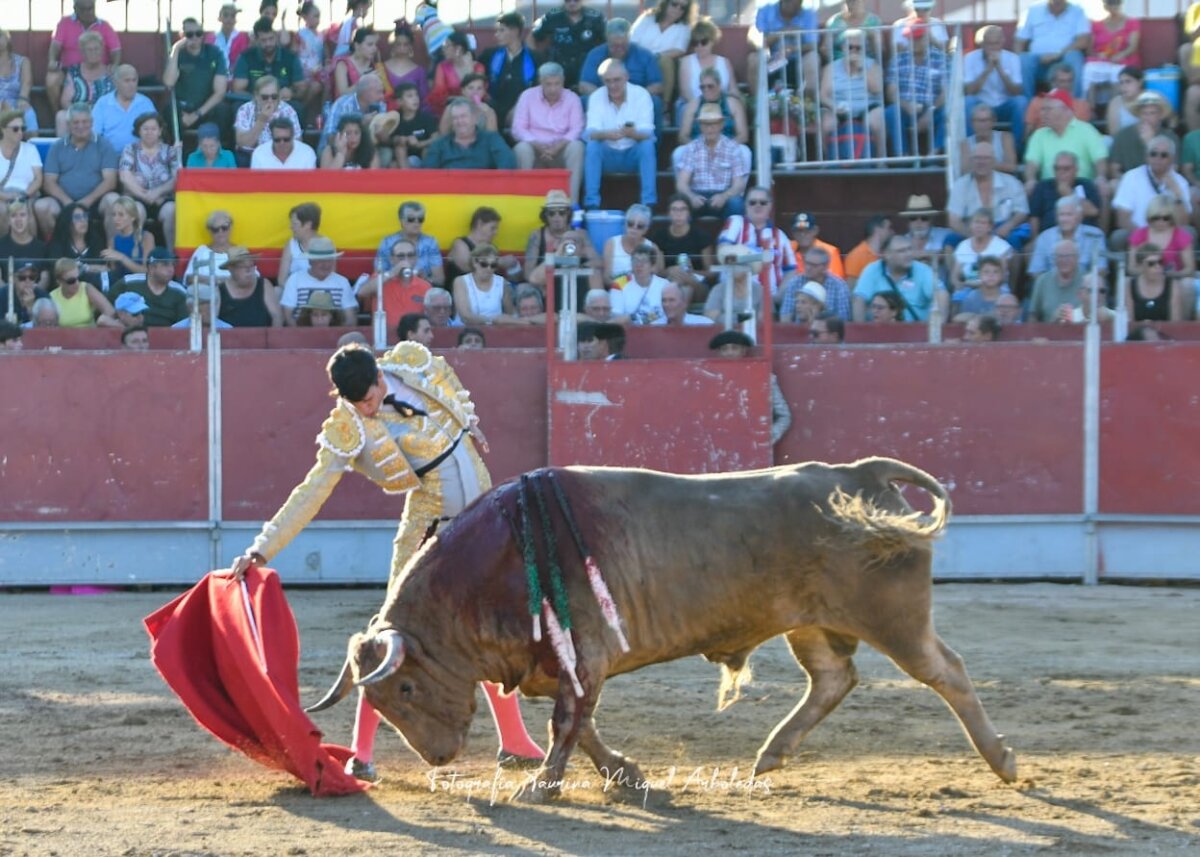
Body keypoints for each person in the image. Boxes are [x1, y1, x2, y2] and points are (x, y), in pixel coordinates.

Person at [227, 342, 546, 779]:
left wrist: (469, 421)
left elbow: (451, 387)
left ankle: (514, 741)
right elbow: (312, 490)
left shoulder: (411, 365)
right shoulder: (348, 427)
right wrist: (261, 548)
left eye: (369, 398)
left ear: (380, 376)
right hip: (429, 532)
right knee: (391, 642)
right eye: (356, 403)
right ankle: (362, 754)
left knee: (482, 631)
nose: (367, 409)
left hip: (480, 522)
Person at [583, 59, 657, 210]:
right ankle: (591, 202)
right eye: (608, 81)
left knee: (647, 146)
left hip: (632, 154)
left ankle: (648, 202)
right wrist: (605, 134)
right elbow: (590, 133)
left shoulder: (641, 95)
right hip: (608, 155)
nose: (612, 85)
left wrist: (633, 134)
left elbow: (648, 132)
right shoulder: (596, 96)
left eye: (617, 80)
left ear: (626, 77)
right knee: (592, 147)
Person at [511, 63, 585, 204]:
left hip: (561, 150)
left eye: (557, 84)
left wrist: (559, 146)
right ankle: (523, 201)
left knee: (577, 147)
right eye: (548, 84)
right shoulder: (527, 96)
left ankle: (572, 203)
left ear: (563, 81)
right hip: (535, 149)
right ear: (541, 82)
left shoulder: (572, 98)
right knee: (521, 148)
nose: (553, 89)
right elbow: (518, 128)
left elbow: (577, 128)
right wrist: (536, 144)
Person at [1023, 90, 1110, 200]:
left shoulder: (1086, 130)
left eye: (1048, 109)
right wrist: (1030, 179)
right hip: (1049, 187)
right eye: (1043, 109)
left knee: (1101, 189)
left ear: (1065, 110)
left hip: (1080, 186)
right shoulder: (1039, 134)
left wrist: (1101, 177)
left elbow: (1100, 159)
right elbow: (1031, 163)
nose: (1042, 114)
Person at [708, 329, 790, 444]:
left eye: (734, 348)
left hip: (752, 444)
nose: (729, 353)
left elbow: (784, 416)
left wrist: (767, 439)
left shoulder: (764, 377)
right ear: (718, 353)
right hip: (717, 443)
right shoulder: (709, 379)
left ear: (743, 351)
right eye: (724, 349)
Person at [717, 187, 796, 304]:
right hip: (735, 297)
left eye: (763, 203)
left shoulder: (780, 235)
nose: (757, 206)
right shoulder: (735, 222)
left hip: (770, 300)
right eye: (752, 202)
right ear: (745, 205)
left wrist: (779, 296)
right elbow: (723, 250)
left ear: (770, 206)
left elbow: (790, 270)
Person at [1111, 135, 1190, 250]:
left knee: (1190, 233)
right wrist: (1144, 238)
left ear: (1172, 159)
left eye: (1164, 155)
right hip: (1138, 234)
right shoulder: (1131, 177)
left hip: (1170, 238)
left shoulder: (1180, 182)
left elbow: (1183, 223)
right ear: (1147, 156)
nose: (1158, 158)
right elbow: (1123, 219)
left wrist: (1177, 194)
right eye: (1153, 154)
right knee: (1118, 236)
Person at [46, 0, 122, 115]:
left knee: (120, 76)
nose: (88, 12)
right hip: (68, 71)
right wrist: (52, 61)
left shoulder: (105, 26)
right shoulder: (65, 23)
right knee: (51, 79)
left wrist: (115, 64)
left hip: (99, 70)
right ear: (75, 9)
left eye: (90, 8)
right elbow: (55, 46)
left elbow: (116, 50)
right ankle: (59, 113)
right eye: (83, 9)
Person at [819, 27, 885, 160]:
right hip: (838, 106)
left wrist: (861, 68)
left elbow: (876, 89)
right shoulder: (831, 68)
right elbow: (823, 96)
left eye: (858, 48)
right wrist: (834, 107)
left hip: (867, 106)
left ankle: (880, 159)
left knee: (876, 120)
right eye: (850, 47)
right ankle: (827, 160)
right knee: (826, 124)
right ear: (843, 48)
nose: (854, 51)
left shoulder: (872, 65)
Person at [674, 103, 748, 219]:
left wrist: (724, 196)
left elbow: (738, 184)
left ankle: (731, 231)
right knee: (681, 204)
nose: (710, 128)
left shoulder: (732, 148)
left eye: (714, 124)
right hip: (698, 195)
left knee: (736, 203)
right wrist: (691, 196)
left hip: (723, 194)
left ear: (721, 125)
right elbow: (682, 184)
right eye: (705, 124)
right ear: (700, 126)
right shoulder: (692, 148)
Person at [524, 189, 603, 299]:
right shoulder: (537, 236)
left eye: (561, 213)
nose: (556, 218)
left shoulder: (581, 234)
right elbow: (528, 273)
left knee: (596, 275)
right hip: (546, 282)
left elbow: (598, 262)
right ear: (545, 215)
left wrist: (581, 265)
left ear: (568, 214)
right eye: (551, 213)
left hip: (575, 279)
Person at [852, 234, 947, 322]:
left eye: (909, 249)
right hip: (881, 330)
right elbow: (859, 299)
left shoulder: (922, 270)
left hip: (915, 330)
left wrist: (936, 327)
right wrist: (861, 329)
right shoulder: (873, 269)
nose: (908, 254)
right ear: (887, 255)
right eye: (901, 251)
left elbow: (941, 294)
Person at [884, 24, 946, 157]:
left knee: (948, 112)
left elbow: (946, 92)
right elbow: (890, 92)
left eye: (918, 38)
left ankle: (935, 155)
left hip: (933, 108)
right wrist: (906, 105)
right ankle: (904, 156)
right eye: (910, 38)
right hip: (905, 108)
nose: (914, 41)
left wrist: (930, 112)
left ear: (927, 37)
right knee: (891, 112)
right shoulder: (898, 59)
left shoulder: (941, 58)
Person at [118, 113, 177, 252]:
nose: (149, 132)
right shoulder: (130, 149)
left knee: (172, 210)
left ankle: (171, 255)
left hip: (163, 199)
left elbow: (177, 178)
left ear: (160, 131)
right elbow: (125, 176)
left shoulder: (170, 151)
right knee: (136, 211)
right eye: (145, 128)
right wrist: (144, 195)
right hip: (137, 197)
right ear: (139, 131)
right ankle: (135, 255)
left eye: (153, 129)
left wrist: (157, 192)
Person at [163, 17, 230, 139]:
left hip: (207, 108)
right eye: (189, 34)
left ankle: (218, 149)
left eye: (199, 33)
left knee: (223, 110)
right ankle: (177, 149)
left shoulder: (215, 53)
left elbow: (220, 92)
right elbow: (169, 82)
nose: (195, 37)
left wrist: (196, 114)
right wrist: (175, 49)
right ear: (182, 36)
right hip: (183, 108)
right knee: (169, 110)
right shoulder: (176, 54)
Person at [962, 25, 1027, 151]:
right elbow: (969, 91)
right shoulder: (970, 58)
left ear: (1002, 42)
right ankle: (971, 148)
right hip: (981, 104)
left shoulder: (1012, 58)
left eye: (996, 43)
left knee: (1021, 102)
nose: (992, 48)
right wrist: (988, 69)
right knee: (967, 102)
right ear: (982, 44)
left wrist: (999, 68)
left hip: (1004, 106)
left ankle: (1016, 149)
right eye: (989, 44)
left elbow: (1017, 91)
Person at [1013, 0, 1090, 98]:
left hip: (1064, 58)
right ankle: (1028, 104)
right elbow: (1019, 41)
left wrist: (1058, 54)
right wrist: (1016, 61)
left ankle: (1075, 103)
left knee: (1075, 56)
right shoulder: (1032, 10)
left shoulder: (1077, 11)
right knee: (1023, 59)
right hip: (1038, 60)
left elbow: (1083, 41)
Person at [579, 18, 663, 106]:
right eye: (614, 46)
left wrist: (633, 97)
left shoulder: (645, 55)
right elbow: (584, 84)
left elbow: (657, 85)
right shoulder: (595, 54)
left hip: (636, 100)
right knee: (584, 100)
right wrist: (608, 97)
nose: (619, 49)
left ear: (629, 39)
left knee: (655, 101)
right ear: (607, 40)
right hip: (604, 100)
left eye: (623, 45)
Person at [529, 0, 606, 90]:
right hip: (559, 68)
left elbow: (608, 39)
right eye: (568, 0)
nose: (572, 3)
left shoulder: (596, 17)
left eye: (576, 0)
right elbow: (531, 37)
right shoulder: (552, 16)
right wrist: (536, 58)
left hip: (586, 67)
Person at [280, 236, 357, 326]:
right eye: (321, 260)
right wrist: (299, 333)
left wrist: (338, 333)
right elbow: (287, 315)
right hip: (301, 331)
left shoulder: (342, 282)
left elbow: (350, 318)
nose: (326, 265)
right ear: (310, 261)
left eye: (329, 260)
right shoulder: (295, 280)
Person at [748, 0, 819, 98]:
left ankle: (808, 104)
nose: (799, 5)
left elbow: (813, 44)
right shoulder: (765, 11)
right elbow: (758, 41)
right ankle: (759, 103)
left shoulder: (809, 14)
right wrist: (783, 32)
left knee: (813, 58)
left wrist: (793, 49)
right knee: (753, 58)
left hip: (798, 60)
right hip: (771, 60)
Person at [232, 17, 308, 107]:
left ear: (276, 36)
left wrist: (291, 93)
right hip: (253, 102)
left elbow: (301, 88)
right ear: (256, 40)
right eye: (263, 40)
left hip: (282, 103)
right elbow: (238, 89)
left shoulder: (290, 57)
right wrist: (260, 99)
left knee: (298, 107)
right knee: (237, 106)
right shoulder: (246, 57)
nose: (268, 43)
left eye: (271, 39)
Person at [631, 0, 693, 110]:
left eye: (682, 7)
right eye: (674, 4)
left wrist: (655, 57)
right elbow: (632, 41)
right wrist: (646, 58)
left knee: (665, 61)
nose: (677, 9)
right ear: (666, 3)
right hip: (639, 59)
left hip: (661, 63)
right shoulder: (648, 18)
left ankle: (665, 106)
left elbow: (679, 50)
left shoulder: (684, 27)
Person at [651, 194, 713, 302]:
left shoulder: (701, 236)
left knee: (686, 285)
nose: (678, 214)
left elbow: (711, 273)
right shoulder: (659, 236)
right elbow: (658, 271)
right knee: (677, 284)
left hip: (696, 283)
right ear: (669, 213)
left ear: (689, 213)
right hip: (669, 281)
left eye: (683, 209)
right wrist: (670, 271)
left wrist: (691, 272)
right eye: (674, 209)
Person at [422, 98, 516, 170]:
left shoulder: (491, 139)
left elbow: (508, 164)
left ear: (475, 118)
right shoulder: (440, 144)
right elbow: (427, 173)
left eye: (463, 116)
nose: (459, 121)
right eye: (455, 118)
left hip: (483, 187)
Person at [1028, 195, 1107, 277]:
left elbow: (1101, 269)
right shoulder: (1045, 237)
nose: (1064, 219)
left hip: (1085, 282)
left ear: (1079, 217)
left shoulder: (1095, 235)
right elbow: (1036, 271)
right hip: (1052, 282)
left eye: (1069, 215)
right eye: (1061, 215)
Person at [481, 12, 538, 128]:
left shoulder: (534, 58)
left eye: (501, 31)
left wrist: (519, 107)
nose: (496, 35)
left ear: (515, 31)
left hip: (524, 113)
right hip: (492, 112)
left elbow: (537, 89)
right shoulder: (490, 55)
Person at [54, 30, 113, 137]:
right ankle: (64, 147)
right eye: (89, 50)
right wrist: (81, 114)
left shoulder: (110, 72)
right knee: (61, 116)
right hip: (78, 114)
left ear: (102, 50)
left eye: (96, 49)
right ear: (82, 52)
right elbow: (65, 101)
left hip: (103, 114)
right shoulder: (74, 72)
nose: (93, 52)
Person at [1027, 150, 1101, 235]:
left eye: (1066, 169)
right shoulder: (1043, 187)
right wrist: (1034, 238)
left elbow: (1093, 212)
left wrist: (1070, 194)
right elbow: (1035, 217)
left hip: (1082, 234)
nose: (1061, 172)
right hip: (1050, 234)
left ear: (1076, 169)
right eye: (1057, 168)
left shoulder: (1086, 185)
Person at [1083, 0, 1141, 107]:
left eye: (1116, 3)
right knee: (1089, 70)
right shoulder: (1096, 25)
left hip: (1123, 59)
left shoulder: (1131, 22)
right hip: (1102, 60)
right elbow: (1090, 49)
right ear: (1105, 6)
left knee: (1117, 72)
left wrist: (1121, 55)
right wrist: (1098, 55)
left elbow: (1133, 46)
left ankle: (1114, 108)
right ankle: (1091, 110)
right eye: (1110, 3)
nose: (1114, 6)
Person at [234, 75, 303, 166]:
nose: (270, 101)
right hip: (250, 155)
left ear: (279, 96)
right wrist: (262, 120)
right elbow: (243, 143)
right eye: (265, 97)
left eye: (274, 97)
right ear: (256, 96)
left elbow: (298, 142)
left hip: (279, 156)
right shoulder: (245, 110)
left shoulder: (288, 111)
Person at [111, 246, 188, 327]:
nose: (171, 269)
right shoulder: (128, 283)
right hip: (132, 332)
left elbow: (184, 326)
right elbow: (108, 309)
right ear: (151, 268)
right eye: (165, 265)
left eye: (173, 265)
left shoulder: (179, 292)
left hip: (168, 334)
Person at [1127, 194, 1196, 284]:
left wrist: (1174, 274)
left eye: (1166, 218)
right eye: (1156, 218)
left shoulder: (1182, 236)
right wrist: (1150, 272)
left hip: (1174, 280)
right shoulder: (1138, 235)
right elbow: (1131, 268)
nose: (1161, 222)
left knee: (1187, 283)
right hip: (1145, 281)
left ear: (1172, 217)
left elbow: (1190, 269)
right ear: (1150, 217)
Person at [359, 238, 432, 322]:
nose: (406, 260)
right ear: (392, 259)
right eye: (401, 256)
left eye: (410, 255)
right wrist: (392, 273)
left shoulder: (425, 286)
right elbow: (362, 293)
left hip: (414, 330)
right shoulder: (381, 279)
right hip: (385, 330)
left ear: (416, 259)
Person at [445, 207, 520, 287]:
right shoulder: (460, 243)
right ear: (480, 224)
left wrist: (513, 266)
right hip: (461, 290)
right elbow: (466, 265)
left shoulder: (491, 248)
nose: (496, 232)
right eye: (493, 228)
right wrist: (499, 262)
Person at [1109, 92, 1176, 180]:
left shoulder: (1170, 138)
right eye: (1144, 113)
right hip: (1129, 182)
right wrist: (1129, 182)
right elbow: (1114, 169)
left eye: (1152, 113)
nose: (1147, 117)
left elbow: (1173, 170)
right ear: (1138, 115)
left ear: (1160, 115)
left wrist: (1150, 143)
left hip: (1161, 182)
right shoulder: (1123, 135)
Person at [376, 201, 444, 286]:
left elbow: (439, 280)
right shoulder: (387, 243)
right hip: (393, 287)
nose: (416, 223)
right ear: (401, 221)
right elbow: (377, 278)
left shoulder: (430, 243)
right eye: (411, 219)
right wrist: (394, 273)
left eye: (420, 219)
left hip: (422, 288)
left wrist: (424, 278)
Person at [92, 66, 155, 155]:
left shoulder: (145, 103)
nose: (131, 85)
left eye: (134, 80)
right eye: (127, 81)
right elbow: (94, 135)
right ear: (116, 83)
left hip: (140, 156)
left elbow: (155, 133)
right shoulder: (103, 103)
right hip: (109, 156)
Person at [452, 242, 519, 325]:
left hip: (495, 330)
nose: (489, 269)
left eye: (493, 265)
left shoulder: (501, 282)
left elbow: (511, 313)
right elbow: (465, 316)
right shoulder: (461, 281)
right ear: (474, 262)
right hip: (465, 329)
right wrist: (493, 321)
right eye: (484, 264)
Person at [319, 73, 387, 153]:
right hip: (335, 150)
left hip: (363, 150)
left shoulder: (380, 105)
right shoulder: (343, 104)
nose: (382, 96)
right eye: (378, 92)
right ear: (365, 92)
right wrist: (360, 123)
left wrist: (382, 135)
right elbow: (330, 138)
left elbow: (385, 141)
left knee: (386, 152)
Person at [678, 19, 739, 108]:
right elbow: (685, 92)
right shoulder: (686, 62)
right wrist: (703, 107)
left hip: (721, 106)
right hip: (692, 106)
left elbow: (733, 89)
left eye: (704, 42)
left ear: (712, 41)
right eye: (695, 43)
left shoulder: (724, 62)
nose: (699, 46)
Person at [218, 245, 283, 327]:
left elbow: (277, 317)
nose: (248, 270)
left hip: (263, 334)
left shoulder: (263, 284)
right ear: (231, 269)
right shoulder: (220, 290)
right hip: (229, 335)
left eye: (251, 265)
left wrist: (274, 334)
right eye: (243, 266)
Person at [780, 247, 852, 322]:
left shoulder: (839, 286)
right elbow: (785, 315)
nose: (808, 268)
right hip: (798, 328)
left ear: (825, 267)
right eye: (807, 263)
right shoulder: (795, 282)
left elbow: (843, 319)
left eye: (813, 265)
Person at [1126, 243, 1192, 322]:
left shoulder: (1172, 285)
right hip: (1139, 329)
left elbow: (1175, 321)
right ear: (1140, 265)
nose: (1158, 267)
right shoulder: (1131, 286)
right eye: (1151, 264)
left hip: (1167, 329)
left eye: (1160, 262)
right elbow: (1130, 321)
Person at [705, 243, 765, 329]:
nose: (734, 267)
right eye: (730, 264)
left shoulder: (760, 291)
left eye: (738, 263)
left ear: (748, 266)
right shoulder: (718, 289)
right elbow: (710, 320)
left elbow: (764, 321)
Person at [950, 208, 1013, 290]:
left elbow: (1002, 277)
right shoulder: (963, 246)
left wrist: (978, 284)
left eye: (983, 223)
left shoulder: (1002, 247)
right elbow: (955, 277)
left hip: (995, 290)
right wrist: (959, 287)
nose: (979, 226)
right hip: (967, 289)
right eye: (976, 222)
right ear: (971, 225)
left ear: (990, 227)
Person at [48, 256, 119, 328]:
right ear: (60, 282)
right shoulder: (52, 298)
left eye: (78, 278)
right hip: (64, 334)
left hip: (90, 333)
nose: (77, 283)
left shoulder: (86, 288)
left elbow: (110, 312)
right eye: (71, 281)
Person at [603, 203, 665, 285]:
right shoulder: (611, 243)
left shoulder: (652, 247)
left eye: (640, 226)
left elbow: (655, 278)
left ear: (646, 229)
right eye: (630, 224)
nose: (634, 228)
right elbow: (607, 278)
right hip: (618, 289)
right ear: (625, 224)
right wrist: (624, 288)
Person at [47, 201, 105, 288]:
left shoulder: (96, 241)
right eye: (77, 217)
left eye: (85, 216)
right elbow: (59, 271)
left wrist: (83, 268)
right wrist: (89, 268)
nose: (83, 220)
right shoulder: (57, 245)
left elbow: (105, 269)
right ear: (68, 221)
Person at [428, 31, 485, 118]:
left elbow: (477, 91)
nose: (443, 49)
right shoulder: (443, 66)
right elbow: (438, 95)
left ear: (458, 49)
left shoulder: (478, 67)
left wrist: (469, 70)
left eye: (447, 46)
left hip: (474, 109)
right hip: (449, 109)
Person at [1023, 64, 1091, 136]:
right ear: (1052, 82)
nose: (1066, 85)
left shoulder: (1082, 106)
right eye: (1062, 81)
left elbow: (1083, 133)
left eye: (1069, 81)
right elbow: (1028, 134)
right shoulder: (1037, 102)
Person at [1028, 238, 1085, 322]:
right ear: (1054, 259)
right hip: (1049, 328)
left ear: (1077, 258)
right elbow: (1033, 315)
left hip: (1081, 328)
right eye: (1060, 256)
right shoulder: (1043, 281)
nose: (1064, 260)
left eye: (1068, 256)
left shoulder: (1087, 280)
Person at [612, 243, 668, 325]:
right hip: (630, 330)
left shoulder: (665, 286)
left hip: (660, 329)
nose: (639, 265)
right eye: (635, 260)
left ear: (652, 266)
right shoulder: (619, 284)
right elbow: (617, 317)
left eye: (644, 261)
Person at [378, 21, 428, 112]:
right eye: (398, 44)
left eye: (405, 44)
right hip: (385, 114)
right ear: (393, 45)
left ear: (410, 46)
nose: (402, 48)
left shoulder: (419, 71)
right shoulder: (382, 68)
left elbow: (424, 99)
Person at [388, 81, 439, 169]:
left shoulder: (426, 117)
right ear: (399, 102)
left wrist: (419, 144)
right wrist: (400, 139)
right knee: (399, 151)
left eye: (416, 95)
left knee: (427, 151)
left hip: (422, 155)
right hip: (403, 158)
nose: (415, 99)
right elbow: (388, 139)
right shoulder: (394, 118)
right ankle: (406, 175)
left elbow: (436, 137)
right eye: (410, 96)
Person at [0, 199, 49, 291]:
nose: (18, 220)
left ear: (29, 218)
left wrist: (31, 293)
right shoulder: (1, 246)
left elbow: (45, 278)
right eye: (13, 215)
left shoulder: (41, 247)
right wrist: (13, 295)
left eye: (22, 215)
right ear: (8, 220)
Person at [960, 104, 1020, 178]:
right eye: (978, 121)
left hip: (1003, 180)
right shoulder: (965, 143)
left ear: (993, 121)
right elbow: (965, 170)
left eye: (986, 120)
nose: (982, 124)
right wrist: (992, 164)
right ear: (972, 123)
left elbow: (1012, 167)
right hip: (976, 181)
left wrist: (981, 164)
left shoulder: (1005, 137)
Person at [102, 195, 153, 279]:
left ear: (133, 217)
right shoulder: (113, 240)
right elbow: (112, 271)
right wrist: (89, 267)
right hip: (120, 283)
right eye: (114, 215)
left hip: (139, 283)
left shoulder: (146, 237)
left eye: (121, 215)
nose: (116, 219)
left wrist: (122, 258)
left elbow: (147, 271)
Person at [0, 29, 38, 138]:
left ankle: (32, 144)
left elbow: (27, 83)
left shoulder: (22, 61)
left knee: (28, 114)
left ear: (8, 39)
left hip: (17, 101)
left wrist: (23, 99)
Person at [183, 209, 236, 286]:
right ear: (209, 231)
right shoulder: (202, 251)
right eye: (215, 229)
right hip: (206, 292)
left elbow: (251, 277)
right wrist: (218, 280)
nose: (220, 232)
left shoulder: (240, 251)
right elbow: (189, 278)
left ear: (231, 228)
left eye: (224, 228)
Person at [844, 214, 892, 288]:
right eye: (888, 228)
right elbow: (851, 288)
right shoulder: (857, 255)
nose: (892, 232)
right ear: (877, 230)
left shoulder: (887, 254)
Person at [251, 116, 318, 169]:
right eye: (277, 140)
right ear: (272, 137)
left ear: (292, 137)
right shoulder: (259, 153)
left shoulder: (307, 153)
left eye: (286, 139)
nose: (282, 143)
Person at [331, 25, 378, 100]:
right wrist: (363, 81)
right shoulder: (343, 64)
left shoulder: (374, 64)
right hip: (347, 106)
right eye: (370, 45)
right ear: (357, 46)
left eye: (376, 44)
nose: (375, 48)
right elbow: (342, 95)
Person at [206, 3, 250, 73]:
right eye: (226, 15)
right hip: (215, 75)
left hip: (236, 76)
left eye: (232, 16)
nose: (229, 19)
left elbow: (244, 59)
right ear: (219, 18)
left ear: (235, 20)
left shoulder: (243, 38)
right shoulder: (210, 38)